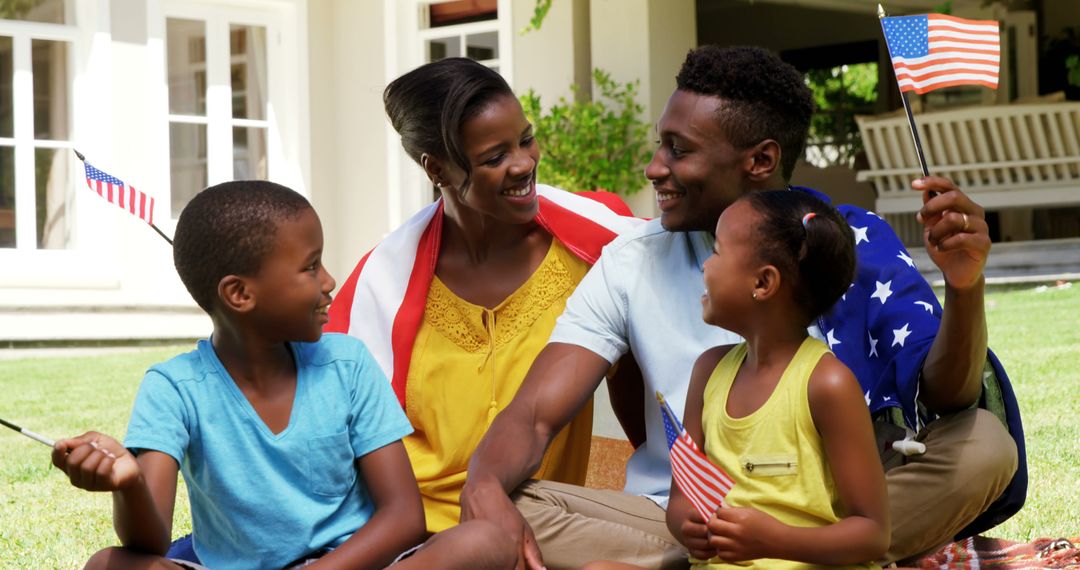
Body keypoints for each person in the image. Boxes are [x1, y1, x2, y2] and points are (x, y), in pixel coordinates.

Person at [463, 45, 1025, 569]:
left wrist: (965, 286)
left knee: (985, 445)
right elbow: (534, 414)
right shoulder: (631, 261)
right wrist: (483, 487)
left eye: (679, 150)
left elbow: (947, 397)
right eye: (662, 145)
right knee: (516, 501)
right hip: (680, 522)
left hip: (835, 503)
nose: (655, 168)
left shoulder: (849, 243)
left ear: (760, 160)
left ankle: (784, 552)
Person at [51, 181, 515, 570]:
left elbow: (403, 517)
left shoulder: (347, 364)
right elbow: (149, 544)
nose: (329, 281)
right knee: (107, 565)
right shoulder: (173, 388)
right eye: (310, 267)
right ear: (239, 294)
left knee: (483, 543)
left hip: (352, 564)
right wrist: (127, 483)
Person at [325, 58, 642, 536]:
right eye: (495, 158)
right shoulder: (381, 283)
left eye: (526, 139)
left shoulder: (596, 247)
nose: (524, 164)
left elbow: (646, 375)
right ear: (437, 168)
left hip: (536, 518)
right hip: (406, 525)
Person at [587, 190, 888, 570]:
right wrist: (687, 525)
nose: (706, 267)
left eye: (716, 252)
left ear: (763, 283)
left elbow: (873, 533)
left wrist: (776, 540)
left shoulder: (825, 384)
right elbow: (682, 498)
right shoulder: (709, 371)